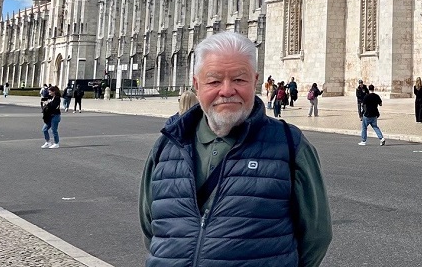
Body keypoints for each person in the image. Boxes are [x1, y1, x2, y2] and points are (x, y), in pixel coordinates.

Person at [139, 31, 332, 267]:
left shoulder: (290, 145)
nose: (227, 90)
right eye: (214, 81)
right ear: (196, 85)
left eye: (239, 79)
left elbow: (316, 236)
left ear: (255, 81)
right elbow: (153, 229)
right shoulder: (166, 146)